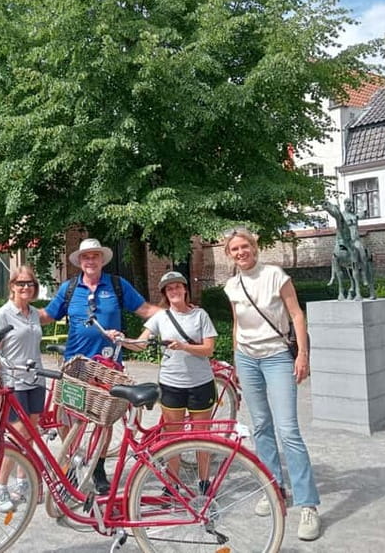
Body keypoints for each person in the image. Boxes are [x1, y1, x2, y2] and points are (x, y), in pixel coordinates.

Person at [223, 227, 321, 541]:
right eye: (235, 249)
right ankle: (274, 487)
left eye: (245, 247)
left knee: (288, 429)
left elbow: (297, 315)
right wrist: (236, 359)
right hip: (247, 359)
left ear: (254, 247)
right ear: (230, 254)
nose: (241, 253)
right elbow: (237, 323)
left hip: (277, 356)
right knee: (261, 426)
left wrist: (302, 354)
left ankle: (307, 503)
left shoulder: (276, 275)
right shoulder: (231, 285)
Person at [40, 237, 159, 494]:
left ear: (102, 260)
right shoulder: (69, 289)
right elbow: (47, 316)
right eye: (86, 257)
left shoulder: (117, 285)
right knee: (67, 418)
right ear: (80, 262)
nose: (90, 260)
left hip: (108, 366)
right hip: (75, 366)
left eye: (94, 256)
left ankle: (98, 467)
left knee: (104, 420)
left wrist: (178, 314)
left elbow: (146, 310)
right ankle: (72, 464)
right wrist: (17, 312)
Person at [122, 271, 218, 493]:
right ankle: (172, 484)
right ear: (165, 293)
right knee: (172, 437)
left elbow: (208, 349)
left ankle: (204, 482)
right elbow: (140, 344)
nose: (174, 291)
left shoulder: (200, 315)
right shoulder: (161, 317)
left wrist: (184, 346)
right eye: (169, 288)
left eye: (178, 287)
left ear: (185, 290)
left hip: (200, 383)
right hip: (171, 384)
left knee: (201, 436)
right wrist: (120, 339)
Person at [0, 265, 45, 512]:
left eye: (30, 284)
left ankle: (22, 482)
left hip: (36, 380)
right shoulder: (3, 315)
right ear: (11, 286)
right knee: (16, 437)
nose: (25, 288)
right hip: (14, 383)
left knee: (31, 433)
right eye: (20, 283)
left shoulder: (33, 314)